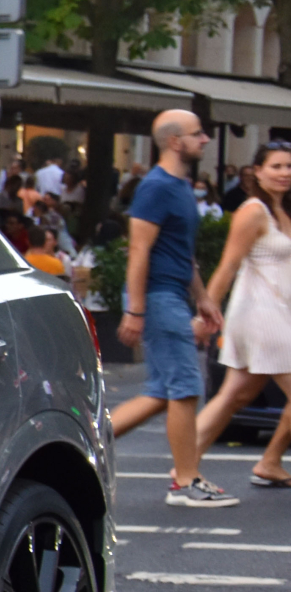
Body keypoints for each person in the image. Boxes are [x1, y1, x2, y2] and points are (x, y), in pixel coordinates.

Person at [109, 109, 234, 506]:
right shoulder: (157, 187)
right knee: (185, 387)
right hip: (159, 298)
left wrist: (203, 298)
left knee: (164, 392)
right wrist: (136, 310)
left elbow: (182, 254)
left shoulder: (180, 185)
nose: (206, 140)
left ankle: (81, 444)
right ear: (176, 141)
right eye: (198, 135)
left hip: (171, 295)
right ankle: (185, 481)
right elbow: (139, 251)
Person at [194, 142, 291, 486]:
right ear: (257, 171)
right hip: (262, 315)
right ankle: (270, 460)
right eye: (276, 166)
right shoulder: (253, 211)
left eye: (289, 167)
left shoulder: (280, 210)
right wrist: (207, 312)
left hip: (277, 313)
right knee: (234, 395)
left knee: (234, 395)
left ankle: (185, 468)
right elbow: (228, 265)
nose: (284, 173)